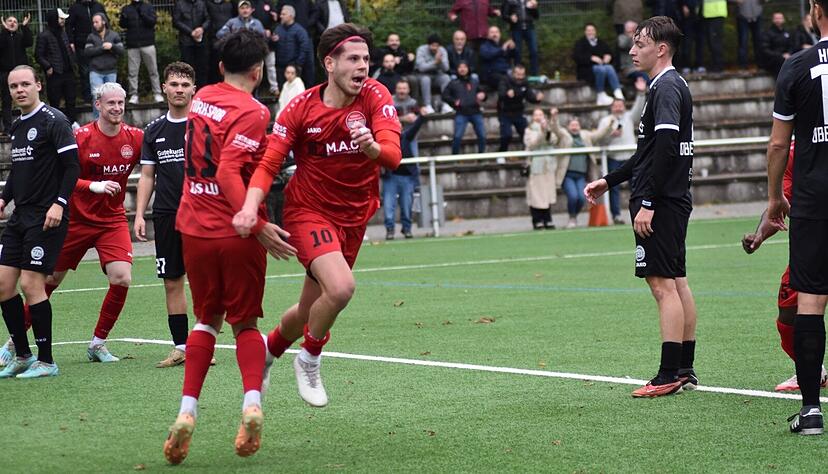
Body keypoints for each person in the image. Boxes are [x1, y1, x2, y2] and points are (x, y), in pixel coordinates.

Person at [232, 23, 402, 409]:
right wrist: (248, 207)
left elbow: (393, 155)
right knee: (341, 289)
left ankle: (269, 348)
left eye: (366, 60)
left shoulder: (376, 96)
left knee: (311, 309)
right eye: (353, 59)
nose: (363, 67)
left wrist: (373, 148)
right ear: (330, 63)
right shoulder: (300, 107)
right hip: (308, 211)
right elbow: (269, 163)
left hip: (355, 216)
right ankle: (309, 357)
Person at [162, 30, 296, 464]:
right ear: (258, 71)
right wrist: (255, 224)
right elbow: (227, 173)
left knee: (205, 320)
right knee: (245, 325)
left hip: (193, 228)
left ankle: (187, 412)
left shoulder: (200, 98)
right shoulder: (254, 110)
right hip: (234, 233)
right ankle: (251, 404)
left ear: (220, 67)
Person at [584, 16, 697, 398]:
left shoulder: (665, 88)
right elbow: (647, 153)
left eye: (641, 44)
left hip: (662, 201)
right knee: (676, 280)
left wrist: (647, 201)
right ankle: (684, 366)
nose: (632, 51)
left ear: (661, 49)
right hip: (673, 198)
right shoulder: (672, 85)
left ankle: (669, 374)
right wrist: (610, 180)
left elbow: (663, 152)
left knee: (662, 284)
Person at [42, 82, 141, 364]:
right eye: (111, 103)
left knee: (122, 277)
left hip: (111, 220)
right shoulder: (81, 137)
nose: (117, 108)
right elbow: (63, 175)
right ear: (98, 105)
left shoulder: (135, 138)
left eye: (121, 103)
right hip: (76, 219)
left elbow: (159, 159)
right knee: (49, 280)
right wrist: (93, 187)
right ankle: (14, 343)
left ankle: (98, 344)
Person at [766, 0, 828, 435]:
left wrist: (774, 199)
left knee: (811, 303)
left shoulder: (796, 65)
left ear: (814, 10)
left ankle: (810, 411)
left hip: (813, 201)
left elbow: (776, 146)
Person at [0, 65, 79, 379]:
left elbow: (72, 167)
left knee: (31, 284)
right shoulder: (17, 124)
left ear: (38, 86)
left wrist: (59, 203)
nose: (20, 90)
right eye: (14, 86)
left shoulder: (54, 121)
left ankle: (47, 361)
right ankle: (21, 355)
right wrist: (5, 197)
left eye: (25, 84)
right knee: (4, 285)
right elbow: (18, 170)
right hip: (21, 216)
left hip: (47, 216)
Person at [741, 143, 828, 392]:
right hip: (810, 249)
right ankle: (812, 371)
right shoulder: (792, 153)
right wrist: (758, 235)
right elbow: (780, 201)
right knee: (788, 315)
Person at [133, 62, 196, 368]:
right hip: (167, 214)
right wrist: (140, 214)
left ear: (193, 89)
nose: (179, 89)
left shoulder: (203, 125)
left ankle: (202, 345)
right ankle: (181, 347)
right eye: (174, 84)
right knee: (172, 281)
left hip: (202, 213)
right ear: (165, 88)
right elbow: (147, 175)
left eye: (185, 84)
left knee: (204, 281)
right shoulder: (154, 130)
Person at [551, 108, 616, 228]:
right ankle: (572, 217)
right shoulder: (564, 136)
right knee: (573, 196)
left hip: (581, 174)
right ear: (568, 127)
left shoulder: (586, 136)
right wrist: (554, 118)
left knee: (581, 198)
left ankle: (574, 216)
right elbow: (556, 129)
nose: (574, 127)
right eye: (572, 125)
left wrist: (609, 125)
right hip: (568, 174)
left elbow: (599, 134)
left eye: (576, 125)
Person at [598, 76, 647, 224]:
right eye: (616, 105)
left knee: (637, 186)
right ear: (611, 108)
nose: (619, 108)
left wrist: (641, 93)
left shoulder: (628, 118)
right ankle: (616, 215)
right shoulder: (605, 121)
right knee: (613, 188)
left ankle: (639, 211)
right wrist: (609, 135)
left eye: (621, 105)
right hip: (613, 158)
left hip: (630, 158)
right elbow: (600, 140)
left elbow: (638, 110)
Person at [35, 9, 79, 130]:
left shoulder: (63, 33)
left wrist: (73, 62)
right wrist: (48, 66)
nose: (63, 21)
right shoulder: (44, 35)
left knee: (71, 98)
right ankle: (57, 124)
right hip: (55, 74)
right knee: (55, 100)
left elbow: (67, 50)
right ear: (54, 19)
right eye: (60, 18)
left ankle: (73, 122)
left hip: (68, 71)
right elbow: (38, 55)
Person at [120, 0, 163, 105]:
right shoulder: (126, 9)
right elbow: (122, 25)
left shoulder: (148, 7)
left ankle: (157, 93)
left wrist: (142, 14)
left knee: (153, 70)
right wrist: (124, 18)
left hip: (148, 43)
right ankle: (133, 94)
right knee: (133, 72)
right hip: (133, 44)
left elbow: (152, 21)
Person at [523, 108, 560, 229]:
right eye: (536, 115)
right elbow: (532, 144)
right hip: (535, 166)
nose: (538, 117)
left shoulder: (549, 128)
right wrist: (542, 132)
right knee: (536, 194)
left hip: (548, 165)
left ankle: (547, 219)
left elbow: (554, 140)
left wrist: (548, 128)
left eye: (541, 114)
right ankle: (537, 219)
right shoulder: (529, 130)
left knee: (547, 194)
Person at [573, 23, 625, 105]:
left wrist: (608, 57)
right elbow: (577, 57)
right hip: (586, 70)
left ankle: (617, 92)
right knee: (601, 69)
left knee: (609, 67)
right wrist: (591, 58)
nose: (590, 32)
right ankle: (600, 94)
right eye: (588, 30)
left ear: (595, 31)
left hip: (603, 67)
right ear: (585, 32)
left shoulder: (601, 42)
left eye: (592, 30)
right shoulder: (580, 43)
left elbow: (609, 53)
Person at [84, 13, 123, 118]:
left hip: (111, 71)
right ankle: (98, 121)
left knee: (112, 97)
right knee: (97, 97)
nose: (94, 24)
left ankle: (111, 119)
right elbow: (87, 52)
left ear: (104, 22)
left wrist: (112, 46)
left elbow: (121, 50)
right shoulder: (91, 37)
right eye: (93, 22)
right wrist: (102, 48)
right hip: (95, 71)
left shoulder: (114, 35)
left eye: (97, 22)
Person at [443, 60, 487, 155]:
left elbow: (483, 94)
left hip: (476, 111)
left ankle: (482, 158)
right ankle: (454, 158)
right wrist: (454, 102)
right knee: (457, 137)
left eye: (464, 67)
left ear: (468, 69)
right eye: (460, 67)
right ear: (457, 69)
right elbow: (445, 95)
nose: (462, 69)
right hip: (461, 113)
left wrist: (483, 96)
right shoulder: (453, 83)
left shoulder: (474, 81)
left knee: (482, 136)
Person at [66, 0, 106, 104]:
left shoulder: (98, 6)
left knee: (101, 68)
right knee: (85, 71)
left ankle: (103, 96)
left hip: (98, 43)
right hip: (81, 44)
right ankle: (88, 97)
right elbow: (69, 25)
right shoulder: (74, 8)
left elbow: (105, 22)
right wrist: (71, 41)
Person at [497, 63, 542, 153]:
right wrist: (506, 94)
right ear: (513, 73)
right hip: (505, 112)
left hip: (518, 112)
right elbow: (500, 94)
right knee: (506, 135)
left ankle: (528, 152)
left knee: (525, 133)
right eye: (518, 74)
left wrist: (537, 99)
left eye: (522, 75)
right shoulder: (505, 80)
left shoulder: (525, 82)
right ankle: (502, 153)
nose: (520, 77)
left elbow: (529, 96)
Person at [0, 13, 33, 136]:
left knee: (25, 99)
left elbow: (29, 42)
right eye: (9, 21)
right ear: (5, 23)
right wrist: (4, 31)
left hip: (21, 72)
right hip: (6, 73)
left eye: (15, 21)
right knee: (6, 101)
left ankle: (27, 125)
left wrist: (25, 27)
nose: (12, 23)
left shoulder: (20, 37)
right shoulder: (2, 36)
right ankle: (7, 128)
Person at [273, 5, 314, 89]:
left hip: (293, 66)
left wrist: (298, 63)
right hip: (280, 66)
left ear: (291, 16)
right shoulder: (278, 29)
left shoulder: (299, 30)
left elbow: (304, 47)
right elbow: (272, 47)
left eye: (283, 14)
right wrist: (272, 41)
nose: (280, 16)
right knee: (282, 90)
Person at [173, 0, 211, 87]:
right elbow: (176, 22)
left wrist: (202, 28)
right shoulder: (179, 4)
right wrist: (190, 32)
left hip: (202, 41)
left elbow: (208, 19)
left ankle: (202, 90)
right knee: (187, 68)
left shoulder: (201, 3)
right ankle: (188, 89)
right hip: (186, 42)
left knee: (203, 68)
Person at [500, 0, 539, 76]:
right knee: (517, 52)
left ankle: (535, 74)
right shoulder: (509, 1)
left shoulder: (530, 1)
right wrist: (510, 18)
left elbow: (536, 16)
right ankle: (517, 74)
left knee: (534, 51)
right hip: (516, 29)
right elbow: (504, 15)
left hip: (529, 28)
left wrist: (534, 8)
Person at [415, 34, 451, 112]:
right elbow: (421, 67)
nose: (434, 48)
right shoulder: (421, 50)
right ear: (428, 45)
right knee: (426, 80)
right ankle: (427, 105)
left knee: (446, 78)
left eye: (436, 46)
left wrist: (440, 62)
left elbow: (446, 68)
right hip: (422, 75)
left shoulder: (442, 50)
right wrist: (435, 62)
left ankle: (445, 104)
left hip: (437, 75)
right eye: (432, 45)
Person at [205, 0, 235, 84]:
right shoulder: (207, 4)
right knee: (214, 65)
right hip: (213, 39)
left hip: (229, 39)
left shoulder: (230, 3)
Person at [479, 25, 517, 90]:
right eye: (492, 32)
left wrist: (513, 49)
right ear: (488, 35)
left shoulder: (503, 44)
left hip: (506, 72)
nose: (495, 34)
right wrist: (502, 50)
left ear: (500, 34)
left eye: (496, 32)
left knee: (520, 78)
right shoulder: (484, 46)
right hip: (491, 74)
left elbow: (513, 56)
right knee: (505, 80)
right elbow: (487, 55)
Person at [759, 12, 794, 78]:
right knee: (781, 64)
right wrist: (780, 55)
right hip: (773, 60)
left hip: (786, 57)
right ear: (773, 20)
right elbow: (765, 50)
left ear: (783, 20)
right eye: (776, 18)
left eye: (780, 18)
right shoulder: (767, 33)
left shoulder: (787, 32)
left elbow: (791, 45)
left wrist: (789, 53)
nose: (778, 20)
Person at [700, 0, 727, 73]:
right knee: (711, 41)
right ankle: (715, 64)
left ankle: (718, 65)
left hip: (717, 13)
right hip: (708, 14)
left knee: (715, 41)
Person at [735, 0, 762, 68]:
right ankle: (742, 65)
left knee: (758, 41)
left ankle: (760, 63)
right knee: (743, 41)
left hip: (757, 15)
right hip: (742, 16)